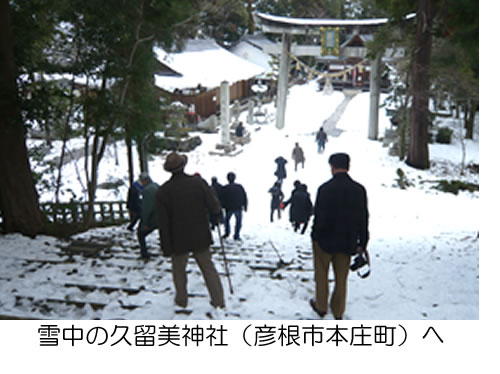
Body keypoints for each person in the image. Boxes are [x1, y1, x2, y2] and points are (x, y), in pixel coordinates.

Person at [156, 152, 225, 309]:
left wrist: (165, 246)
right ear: (184, 166)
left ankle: (181, 300)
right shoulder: (198, 183)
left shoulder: (163, 191)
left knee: (179, 271)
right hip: (200, 234)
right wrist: (217, 214)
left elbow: (163, 223)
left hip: (177, 239)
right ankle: (218, 300)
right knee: (208, 268)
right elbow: (214, 205)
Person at [310, 153, 369, 320]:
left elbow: (319, 216)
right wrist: (362, 241)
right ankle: (338, 310)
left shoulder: (324, 189)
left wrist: (315, 235)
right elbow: (363, 217)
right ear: (348, 167)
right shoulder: (359, 190)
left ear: (332, 167)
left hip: (325, 239)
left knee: (321, 274)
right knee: (341, 278)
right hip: (347, 240)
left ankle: (321, 306)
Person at [136, 173, 159, 259]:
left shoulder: (147, 191)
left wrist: (144, 222)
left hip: (153, 217)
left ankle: (144, 253)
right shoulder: (156, 186)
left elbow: (147, 208)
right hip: (161, 215)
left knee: (140, 234)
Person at [222, 172, 247, 241]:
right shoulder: (239, 187)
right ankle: (236, 235)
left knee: (226, 221)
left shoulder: (225, 188)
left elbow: (222, 198)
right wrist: (245, 205)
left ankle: (227, 233)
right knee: (238, 222)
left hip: (229, 208)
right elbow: (244, 196)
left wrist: (222, 206)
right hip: (238, 207)